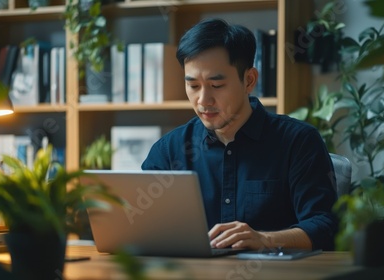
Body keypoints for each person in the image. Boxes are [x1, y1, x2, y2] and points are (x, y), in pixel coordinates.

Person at [141, 18, 338, 251]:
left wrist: (266, 240)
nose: (203, 100)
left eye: (216, 86)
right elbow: (143, 228)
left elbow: (326, 226)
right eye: (193, 86)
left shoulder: (298, 142)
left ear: (249, 80)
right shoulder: (168, 151)